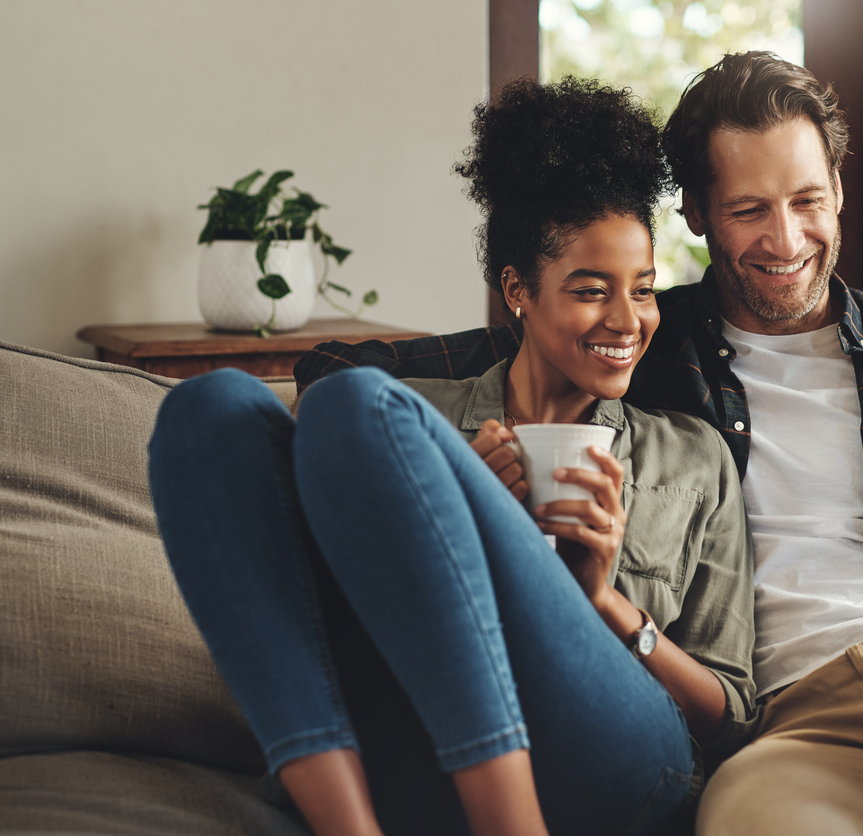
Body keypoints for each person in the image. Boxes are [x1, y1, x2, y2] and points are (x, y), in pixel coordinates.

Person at [293, 55, 863, 836]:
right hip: (786, 731)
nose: (786, 240)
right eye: (749, 210)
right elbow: (343, 374)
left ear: (838, 186)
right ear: (696, 216)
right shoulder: (638, 336)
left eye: (806, 201)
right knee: (747, 817)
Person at [149, 76, 756, 836]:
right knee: (208, 409)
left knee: (355, 399)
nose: (627, 320)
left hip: (615, 757)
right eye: (591, 290)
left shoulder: (693, 459)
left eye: (643, 290)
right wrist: (455, 507)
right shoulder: (414, 425)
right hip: (410, 739)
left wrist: (604, 603)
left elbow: (732, 717)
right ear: (517, 290)